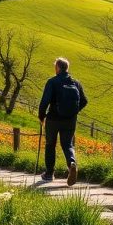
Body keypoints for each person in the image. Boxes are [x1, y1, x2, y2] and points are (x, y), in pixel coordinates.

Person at [38, 57, 88, 185]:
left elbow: (45, 101)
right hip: (70, 120)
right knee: (67, 144)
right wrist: (73, 112)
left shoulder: (52, 82)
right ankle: (72, 163)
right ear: (67, 68)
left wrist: (41, 116)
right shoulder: (76, 83)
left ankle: (49, 174)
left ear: (57, 68)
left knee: (50, 144)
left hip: (53, 119)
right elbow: (84, 101)